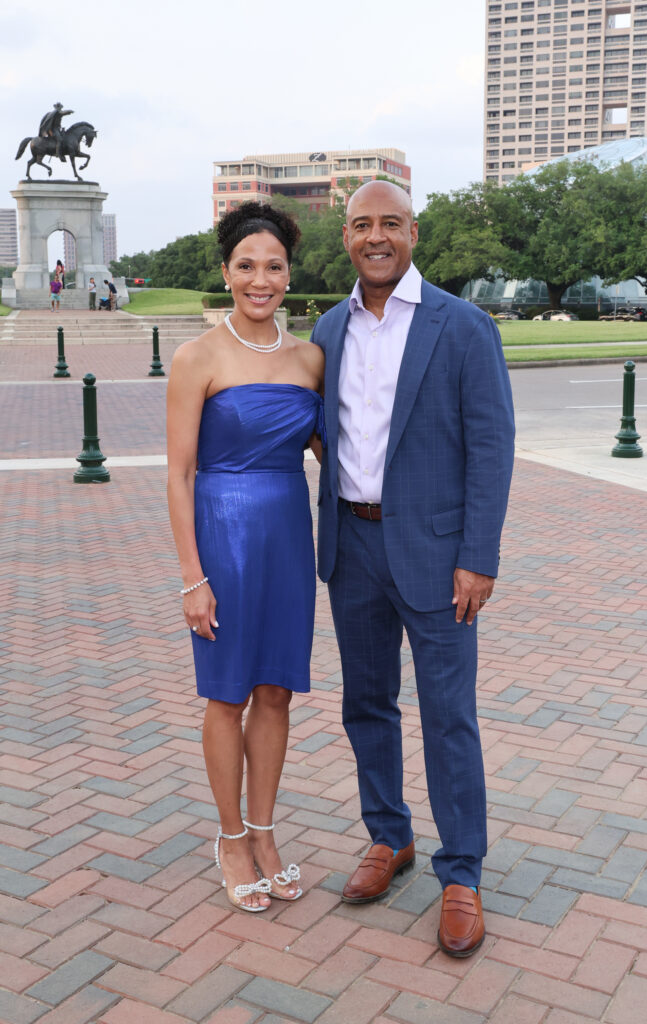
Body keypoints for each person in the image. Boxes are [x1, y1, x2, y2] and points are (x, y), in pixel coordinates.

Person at [311, 181, 515, 957]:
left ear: (413, 233)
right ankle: (386, 838)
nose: (375, 236)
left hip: (436, 556)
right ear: (347, 239)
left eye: (389, 223)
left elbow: (491, 446)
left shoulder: (461, 327)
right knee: (365, 704)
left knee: (446, 714)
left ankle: (460, 872)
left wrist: (477, 556)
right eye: (361, 225)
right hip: (352, 548)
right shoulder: (327, 330)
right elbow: (322, 431)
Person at [166, 202, 324, 913]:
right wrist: (192, 578)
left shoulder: (309, 359)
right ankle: (229, 838)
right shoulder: (196, 356)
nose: (261, 280)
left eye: (273, 266)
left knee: (276, 691)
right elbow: (178, 474)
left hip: (289, 537)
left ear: (289, 273)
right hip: (222, 540)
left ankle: (264, 831)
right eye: (246, 266)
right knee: (225, 694)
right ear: (226, 272)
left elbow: (334, 451)